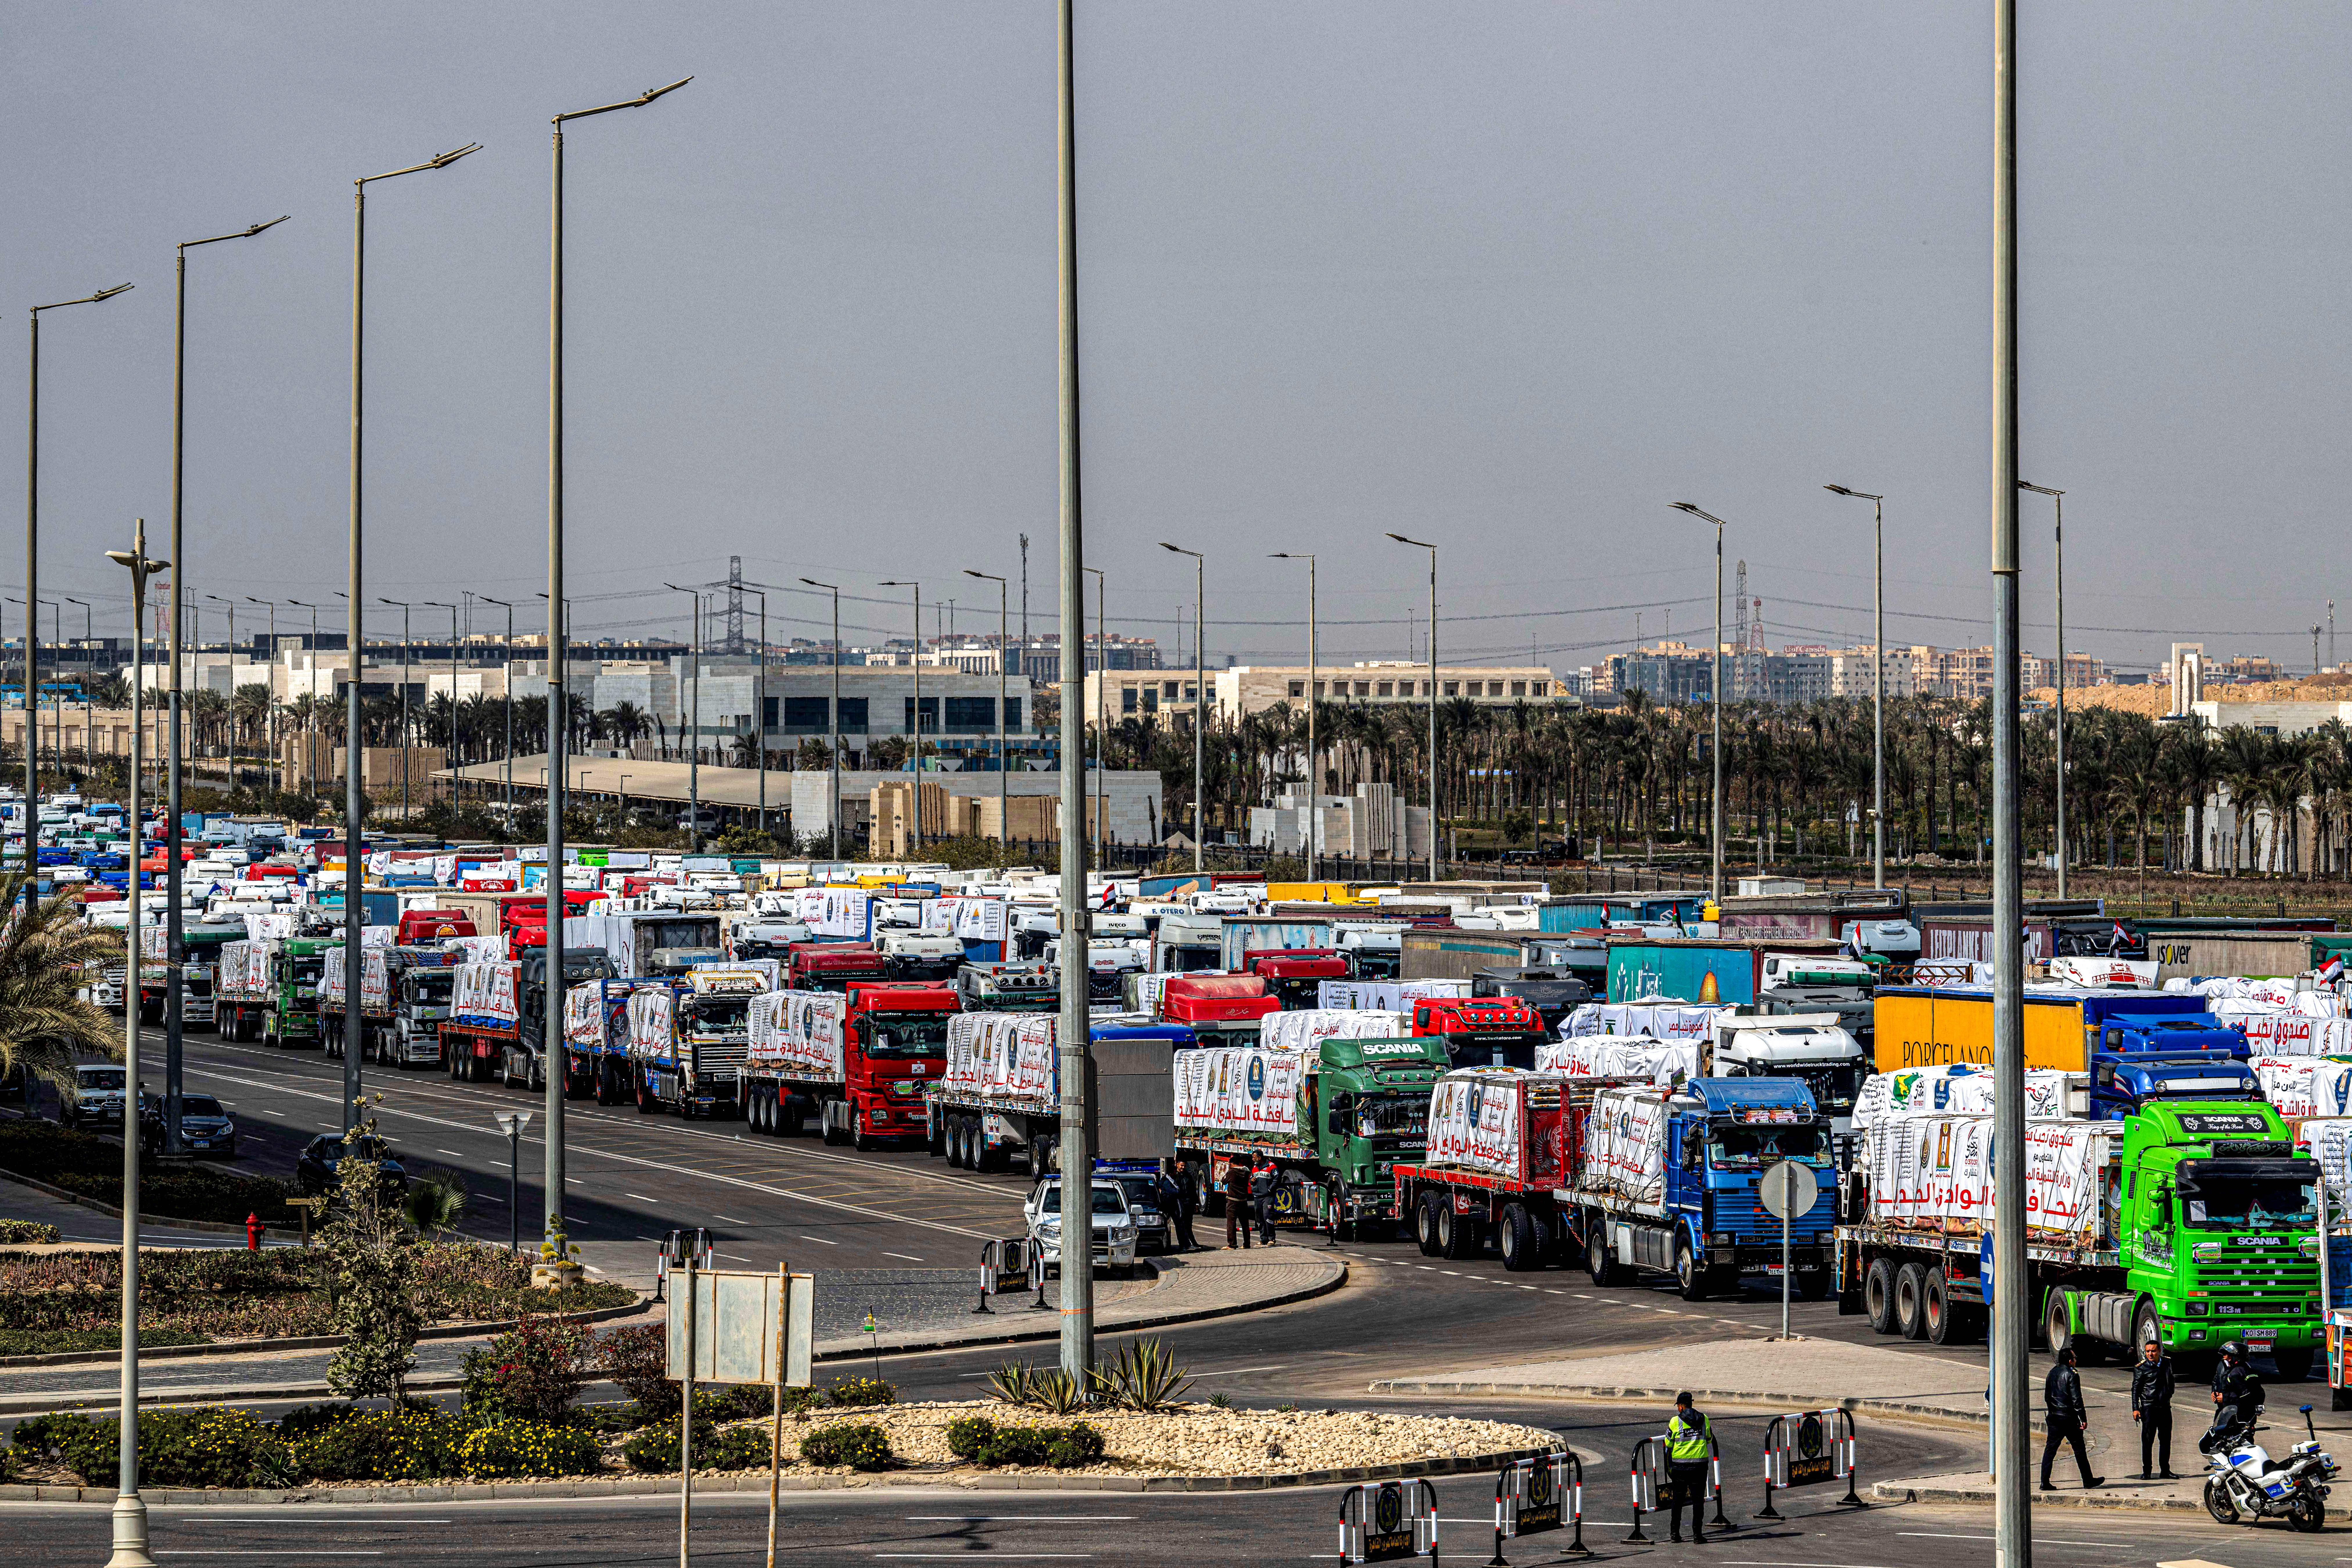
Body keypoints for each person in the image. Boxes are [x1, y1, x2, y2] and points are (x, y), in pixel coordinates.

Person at [2040, 1345, 2104, 1491]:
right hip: (2069, 1419)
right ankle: (2088, 1480)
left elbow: (2047, 1397)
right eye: (2075, 1358)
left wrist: (2053, 1413)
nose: (2076, 1361)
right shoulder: (2072, 1374)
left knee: (2050, 1450)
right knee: (2080, 1450)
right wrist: (2083, 1418)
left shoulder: (2052, 1373)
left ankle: (2044, 1482)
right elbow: (2077, 1399)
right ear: (2070, 1361)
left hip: (2054, 1418)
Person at [1663, 1392, 1713, 1543]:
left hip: (1680, 1469)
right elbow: (1709, 1440)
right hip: (1700, 1467)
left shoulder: (1675, 1422)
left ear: (1680, 1407)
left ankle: (1675, 1535)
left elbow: (1668, 1443)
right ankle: (1698, 1536)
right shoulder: (1704, 1419)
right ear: (1691, 1404)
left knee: (1678, 1501)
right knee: (1698, 1502)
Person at [2204, 1340, 2266, 1454]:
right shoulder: (2233, 1368)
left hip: (2239, 1416)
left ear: (2235, 1357)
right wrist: (2215, 1392)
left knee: (2239, 1444)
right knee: (2222, 1439)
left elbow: (2247, 1395)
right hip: (2229, 1412)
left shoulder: (2238, 1372)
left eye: (2227, 1355)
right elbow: (2217, 1380)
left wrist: (2226, 1398)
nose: (2225, 1358)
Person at [2131, 1337, 2176, 1479]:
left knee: (2166, 1440)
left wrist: (2169, 1394)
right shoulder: (2141, 1368)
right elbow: (2135, 1390)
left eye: (2153, 1351)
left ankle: (2165, 1470)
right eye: (2148, 1351)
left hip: (2165, 1407)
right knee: (2148, 1441)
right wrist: (2136, 1408)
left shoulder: (2167, 1363)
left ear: (2159, 1351)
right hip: (2149, 1408)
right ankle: (2147, 1472)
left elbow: (2171, 1381)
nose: (2150, 1354)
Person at [1162, 1162, 1196, 1254]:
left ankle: (1187, 1245)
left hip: (1179, 1206)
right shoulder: (1167, 1182)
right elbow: (1175, 1192)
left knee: (1182, 1226)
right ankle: (1183, 1246)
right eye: (1174, 1172)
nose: (1176, 1173)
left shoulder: (1175, 1179)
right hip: (1173, 1207)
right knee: (1180, 1226)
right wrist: (1179, 1191)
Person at [1222, 1158, 1253, 1249]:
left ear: (1231, 1164)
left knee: (1231, 1223)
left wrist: (1229, 1170)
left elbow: (1224, 1181)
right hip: (1243, 1201)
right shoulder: (1246, 1172)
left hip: (1233, 1201)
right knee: (1245, 1224)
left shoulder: (1232, 1173)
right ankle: (1247, 1244)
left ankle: (1232, 1244)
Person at [1251, 1158, 1278, 1245]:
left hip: (1267, 1197)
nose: (1253, 1159)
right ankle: (1264, 1239)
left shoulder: (1271, 1166)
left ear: (1259, 1158)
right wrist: (1251, 1180)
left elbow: (1277, 1179)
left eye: (1254, 1157)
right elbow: (1251, 1178)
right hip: (1257, 1197)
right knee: (1259, 1219)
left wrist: (1270, 1190)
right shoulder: (1255, 1167)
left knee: (1268, 1217)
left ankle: (1272, 1239)